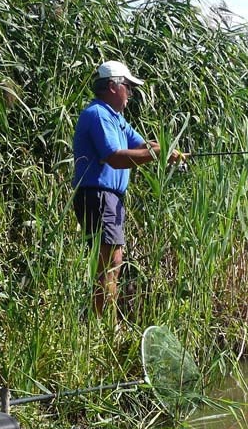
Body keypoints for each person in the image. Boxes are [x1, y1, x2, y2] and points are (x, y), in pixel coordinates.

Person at [72, 59, 185, 317]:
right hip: (99, 195)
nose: (131, 94)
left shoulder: (116, 119)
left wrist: (168, 151)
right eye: (128, 87)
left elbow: (144, 145)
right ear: (113, 86)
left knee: (110, 262)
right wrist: (157, 155)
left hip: (108, 198)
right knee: (110, 263)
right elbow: (114, 156)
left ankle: (98, 322)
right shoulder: (98, 114)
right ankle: (102, 326)